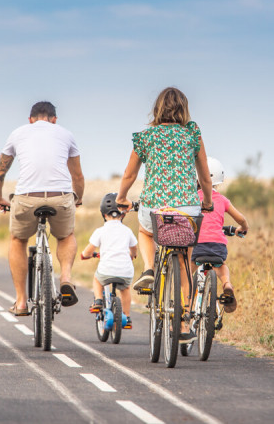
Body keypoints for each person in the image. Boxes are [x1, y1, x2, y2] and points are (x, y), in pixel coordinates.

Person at [115, 87, 213, 341]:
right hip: (188, 209)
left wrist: (121, 197)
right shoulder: (192, 135)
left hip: (154, 208)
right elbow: (204, 176)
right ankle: (184, 323)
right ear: (184, 109)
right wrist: (209, 202)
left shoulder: (146, 137)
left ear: (157, 109)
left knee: (146, 232)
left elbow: (129, 174)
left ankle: (148, 268)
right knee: (186, 261)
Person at [0, 101, 85, 316]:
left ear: (30, 120)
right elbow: (77, 176)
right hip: (60, 197)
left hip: (26, 199)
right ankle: (66, 279)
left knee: (18, 239)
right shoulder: (66, 134)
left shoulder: (17, 133)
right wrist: (77, 199)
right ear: (54, 120)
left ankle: (21, 302)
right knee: (66, 235)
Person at [190, 156, 249, 314]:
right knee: (221, 266)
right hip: (218, 246)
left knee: (187, 272)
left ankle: (186, 304)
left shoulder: (193, 198)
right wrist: (242, 227)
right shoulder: (222, 200)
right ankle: (227, 284)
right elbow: (241, 219)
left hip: (197, 245)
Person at [80, 193, 138, 329]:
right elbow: (134, 249)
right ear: (123, 215)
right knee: (125, 289)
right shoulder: (127, 230)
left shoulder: (100, 231)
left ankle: (99, 301)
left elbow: (88, 251)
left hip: (106, 270)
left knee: (97, 279)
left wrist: (85, 255)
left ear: (104, 215)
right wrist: (132, 255)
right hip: (125, 270)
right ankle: (127, 317)